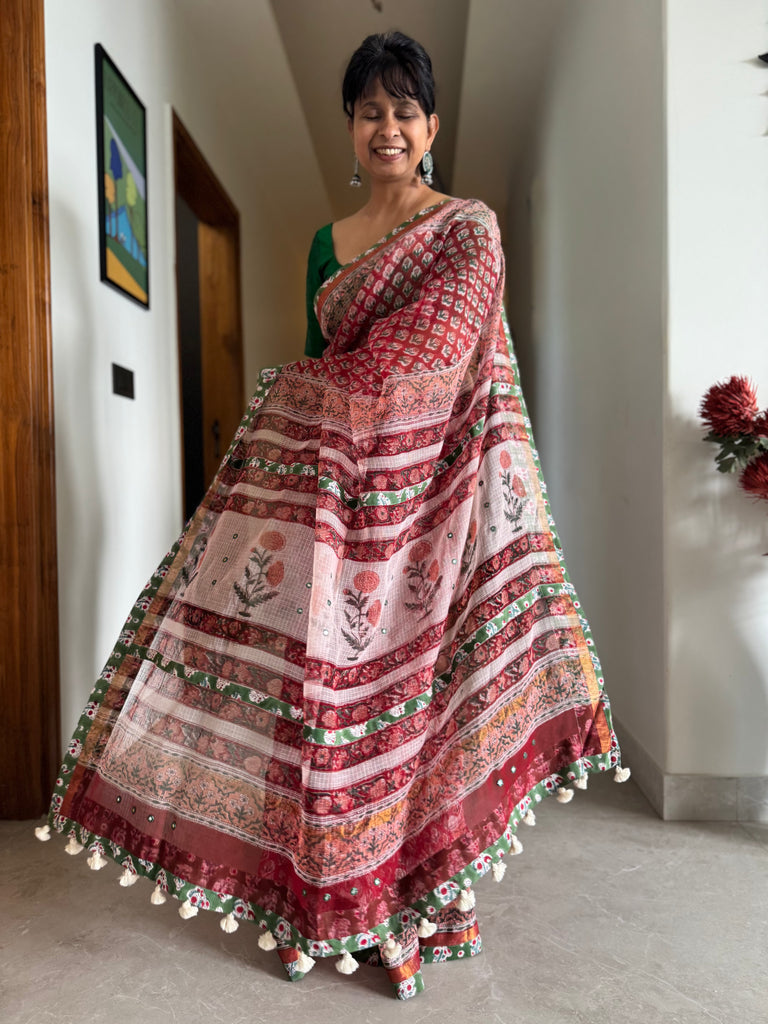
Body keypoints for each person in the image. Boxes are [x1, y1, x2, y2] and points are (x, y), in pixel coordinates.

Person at [36, 31, 628, 1002]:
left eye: (405, 110)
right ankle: (323, 901)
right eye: (369, 111)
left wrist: (341, 415)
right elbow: (324, 368)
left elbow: (442, 363)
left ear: (431, 127)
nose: (387, 127)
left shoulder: (466, 229)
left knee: (410, 702)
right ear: (349, 127)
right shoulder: (327, 242)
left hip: (425, 508)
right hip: (328, 503)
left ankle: (405, 902)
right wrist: (303, 421)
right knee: (322, 701)